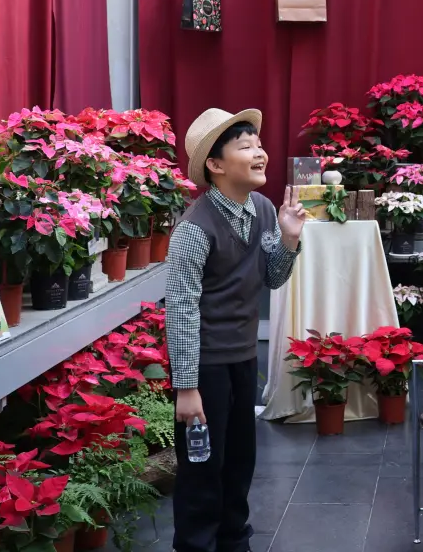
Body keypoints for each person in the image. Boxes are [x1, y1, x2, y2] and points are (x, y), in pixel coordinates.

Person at [166, 108, 306, 552]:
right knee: (202, 468)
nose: (260, 153)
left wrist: (289, 238)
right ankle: (196, 545)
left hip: (244, 358)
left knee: (240, 462)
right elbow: (181, 309)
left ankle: (233, 541)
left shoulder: (262, 209)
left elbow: (273, 278)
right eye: (246, 147)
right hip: (205, 366)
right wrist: (187, 388)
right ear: (215, 164)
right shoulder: (194, 228)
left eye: (259, 145)